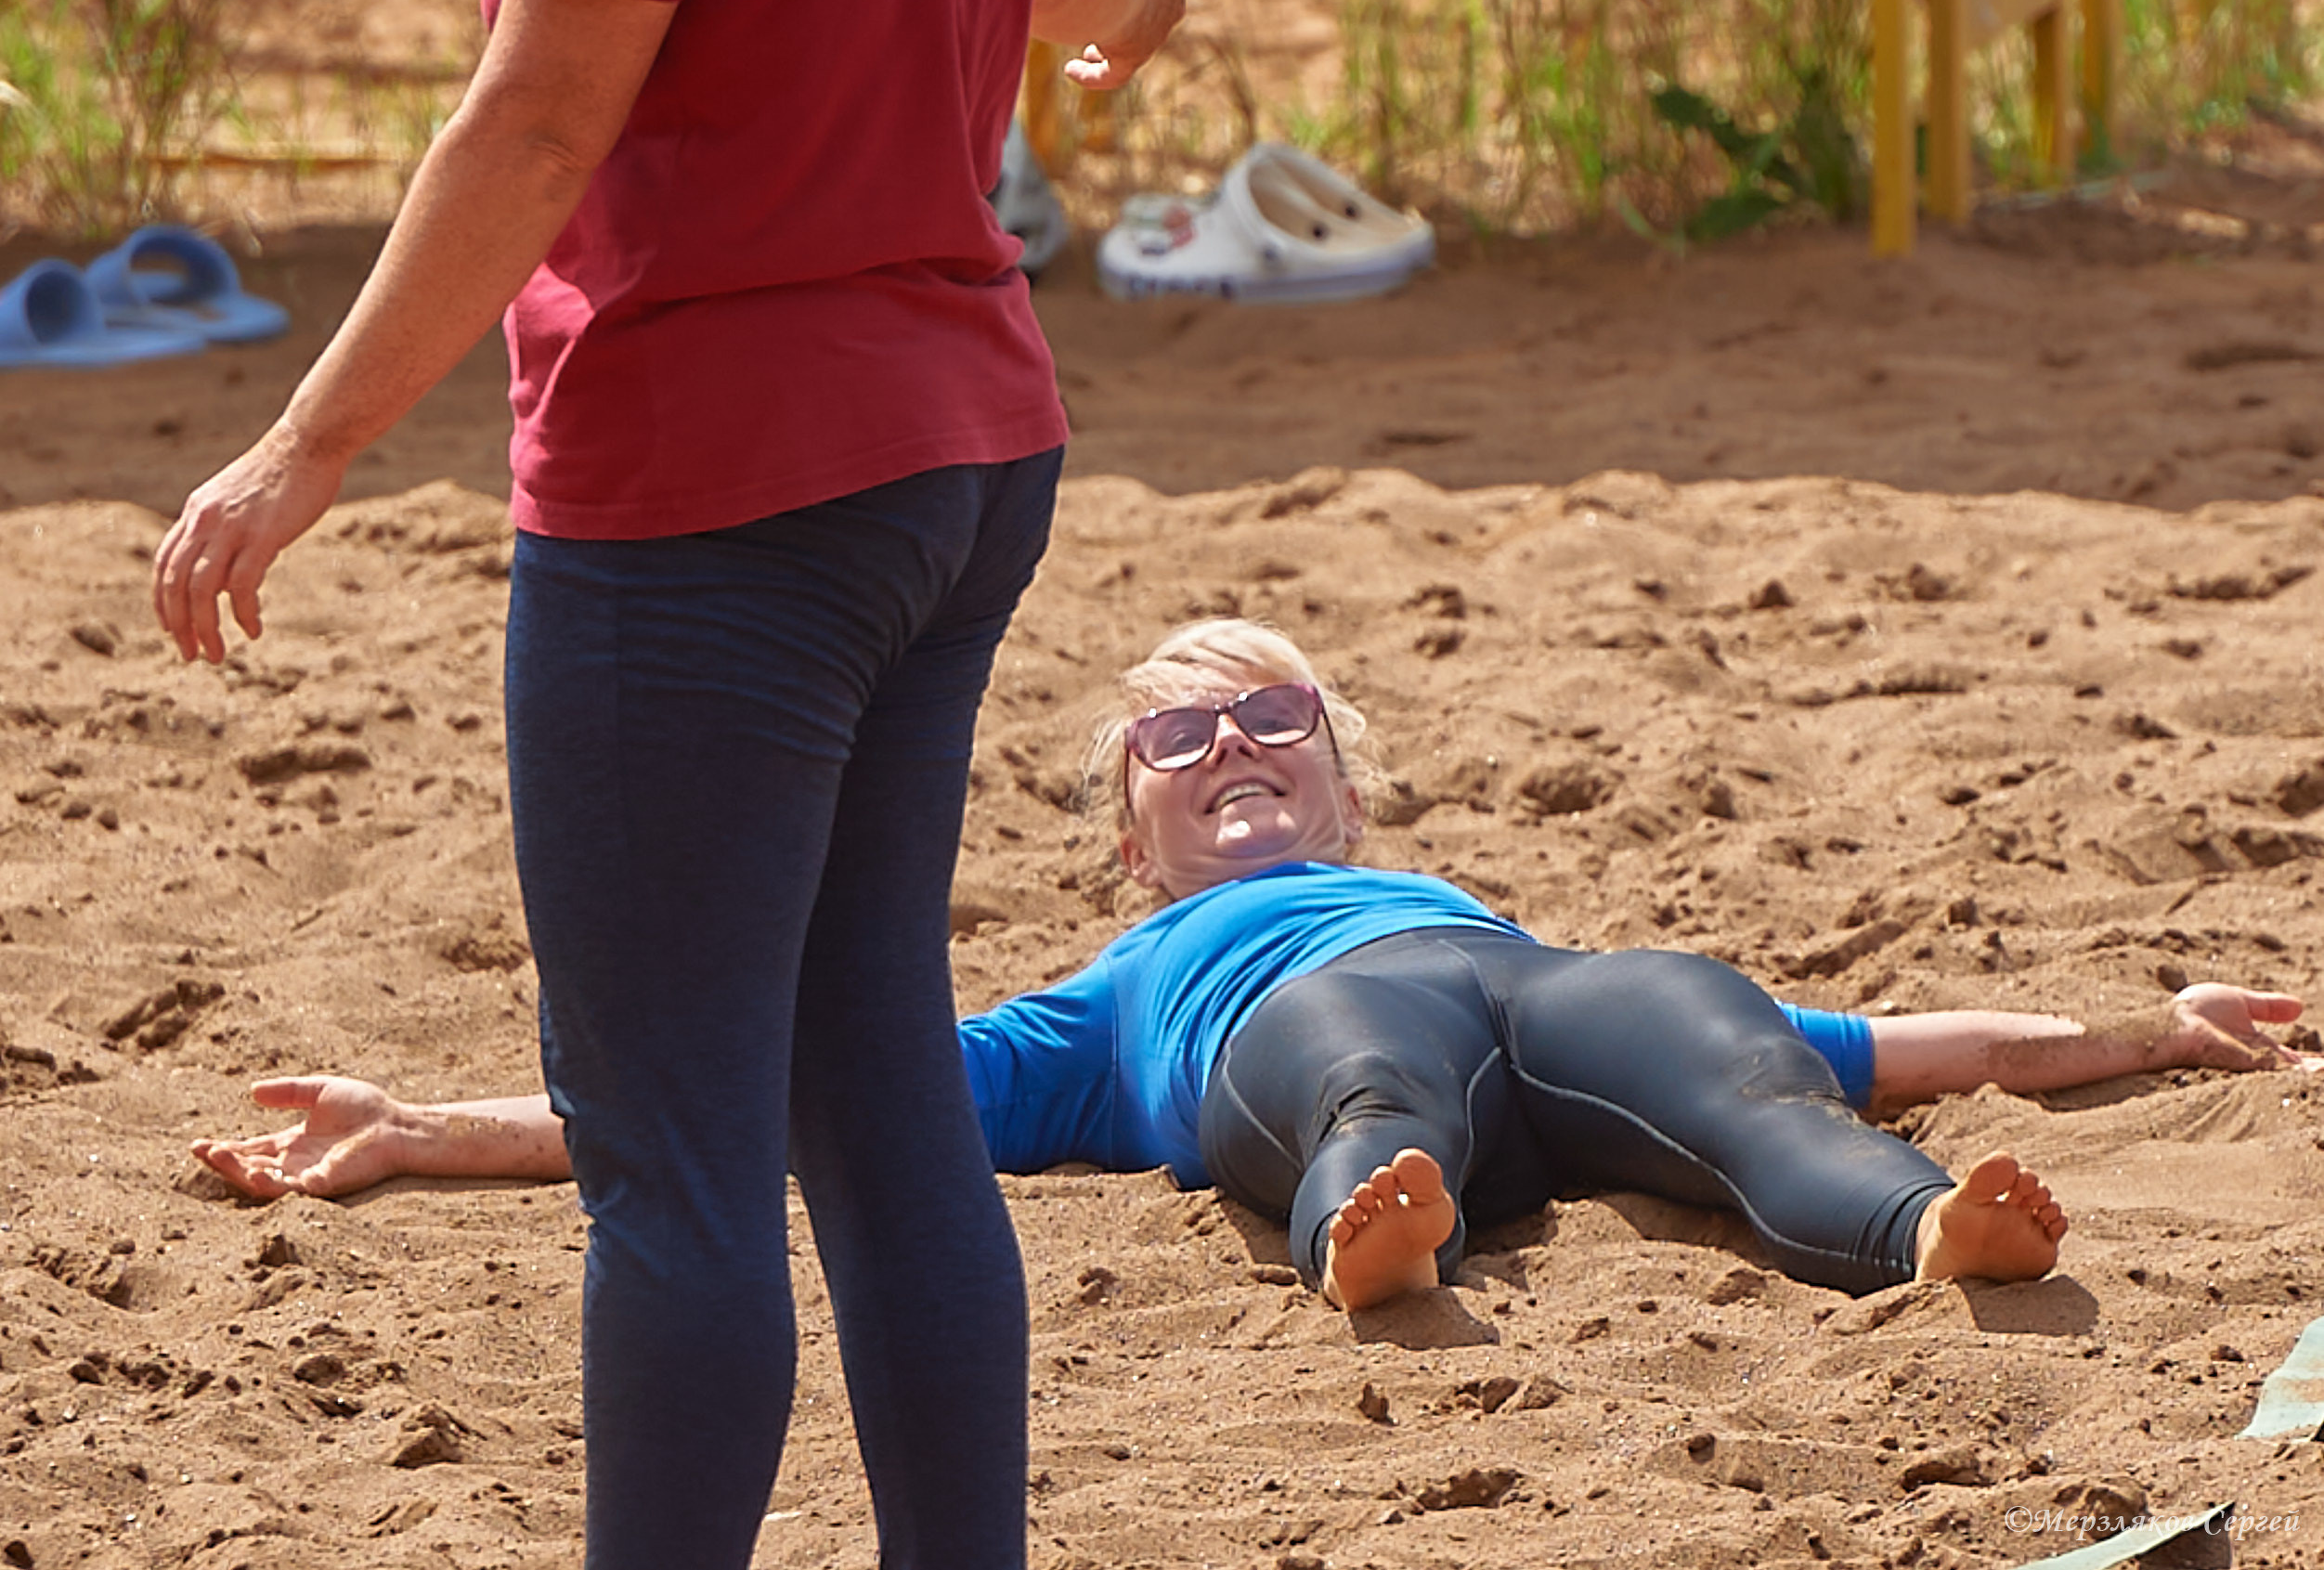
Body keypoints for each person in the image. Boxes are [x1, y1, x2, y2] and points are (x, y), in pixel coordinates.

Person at [153, 0, 1189, 1570]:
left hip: (719, 492)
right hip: (952, 462)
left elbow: (533, 127)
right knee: (871, 1103)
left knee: (679, 1158)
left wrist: (300, 449)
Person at [194, 619, 2320, 1317]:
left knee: (1715, 1032)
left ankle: (1927, 1239)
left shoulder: (1461, 892)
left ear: (1345, 781)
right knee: (1357, 1065)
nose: (1227, 745)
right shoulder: (1117, 990)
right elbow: (784, 1093)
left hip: (1522, 991)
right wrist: (429, 1132)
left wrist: (2143, 1027)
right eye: (1176, 732)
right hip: (1320, 1049)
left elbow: (1888, 1031)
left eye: (1271, 714)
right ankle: (1366, 1232)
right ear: (1129, 827)